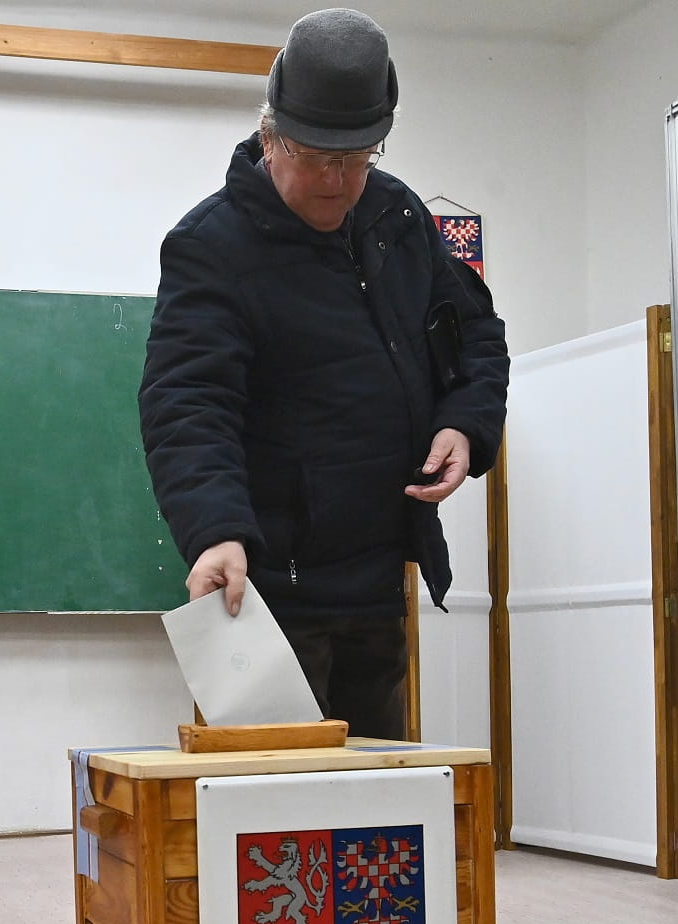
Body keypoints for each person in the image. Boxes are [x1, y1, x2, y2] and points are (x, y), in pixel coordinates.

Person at [138, 8, 509, 739]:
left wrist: (465, 425)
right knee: (277, 799)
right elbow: (187, 403)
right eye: (315, 157)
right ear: (271, 135)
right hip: (269, 593)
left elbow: (477, 335)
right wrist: (214, 530)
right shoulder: (211, 247)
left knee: (377, 796)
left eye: (357, 158)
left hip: (379, 577)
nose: (337, 182)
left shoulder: (398, 217)